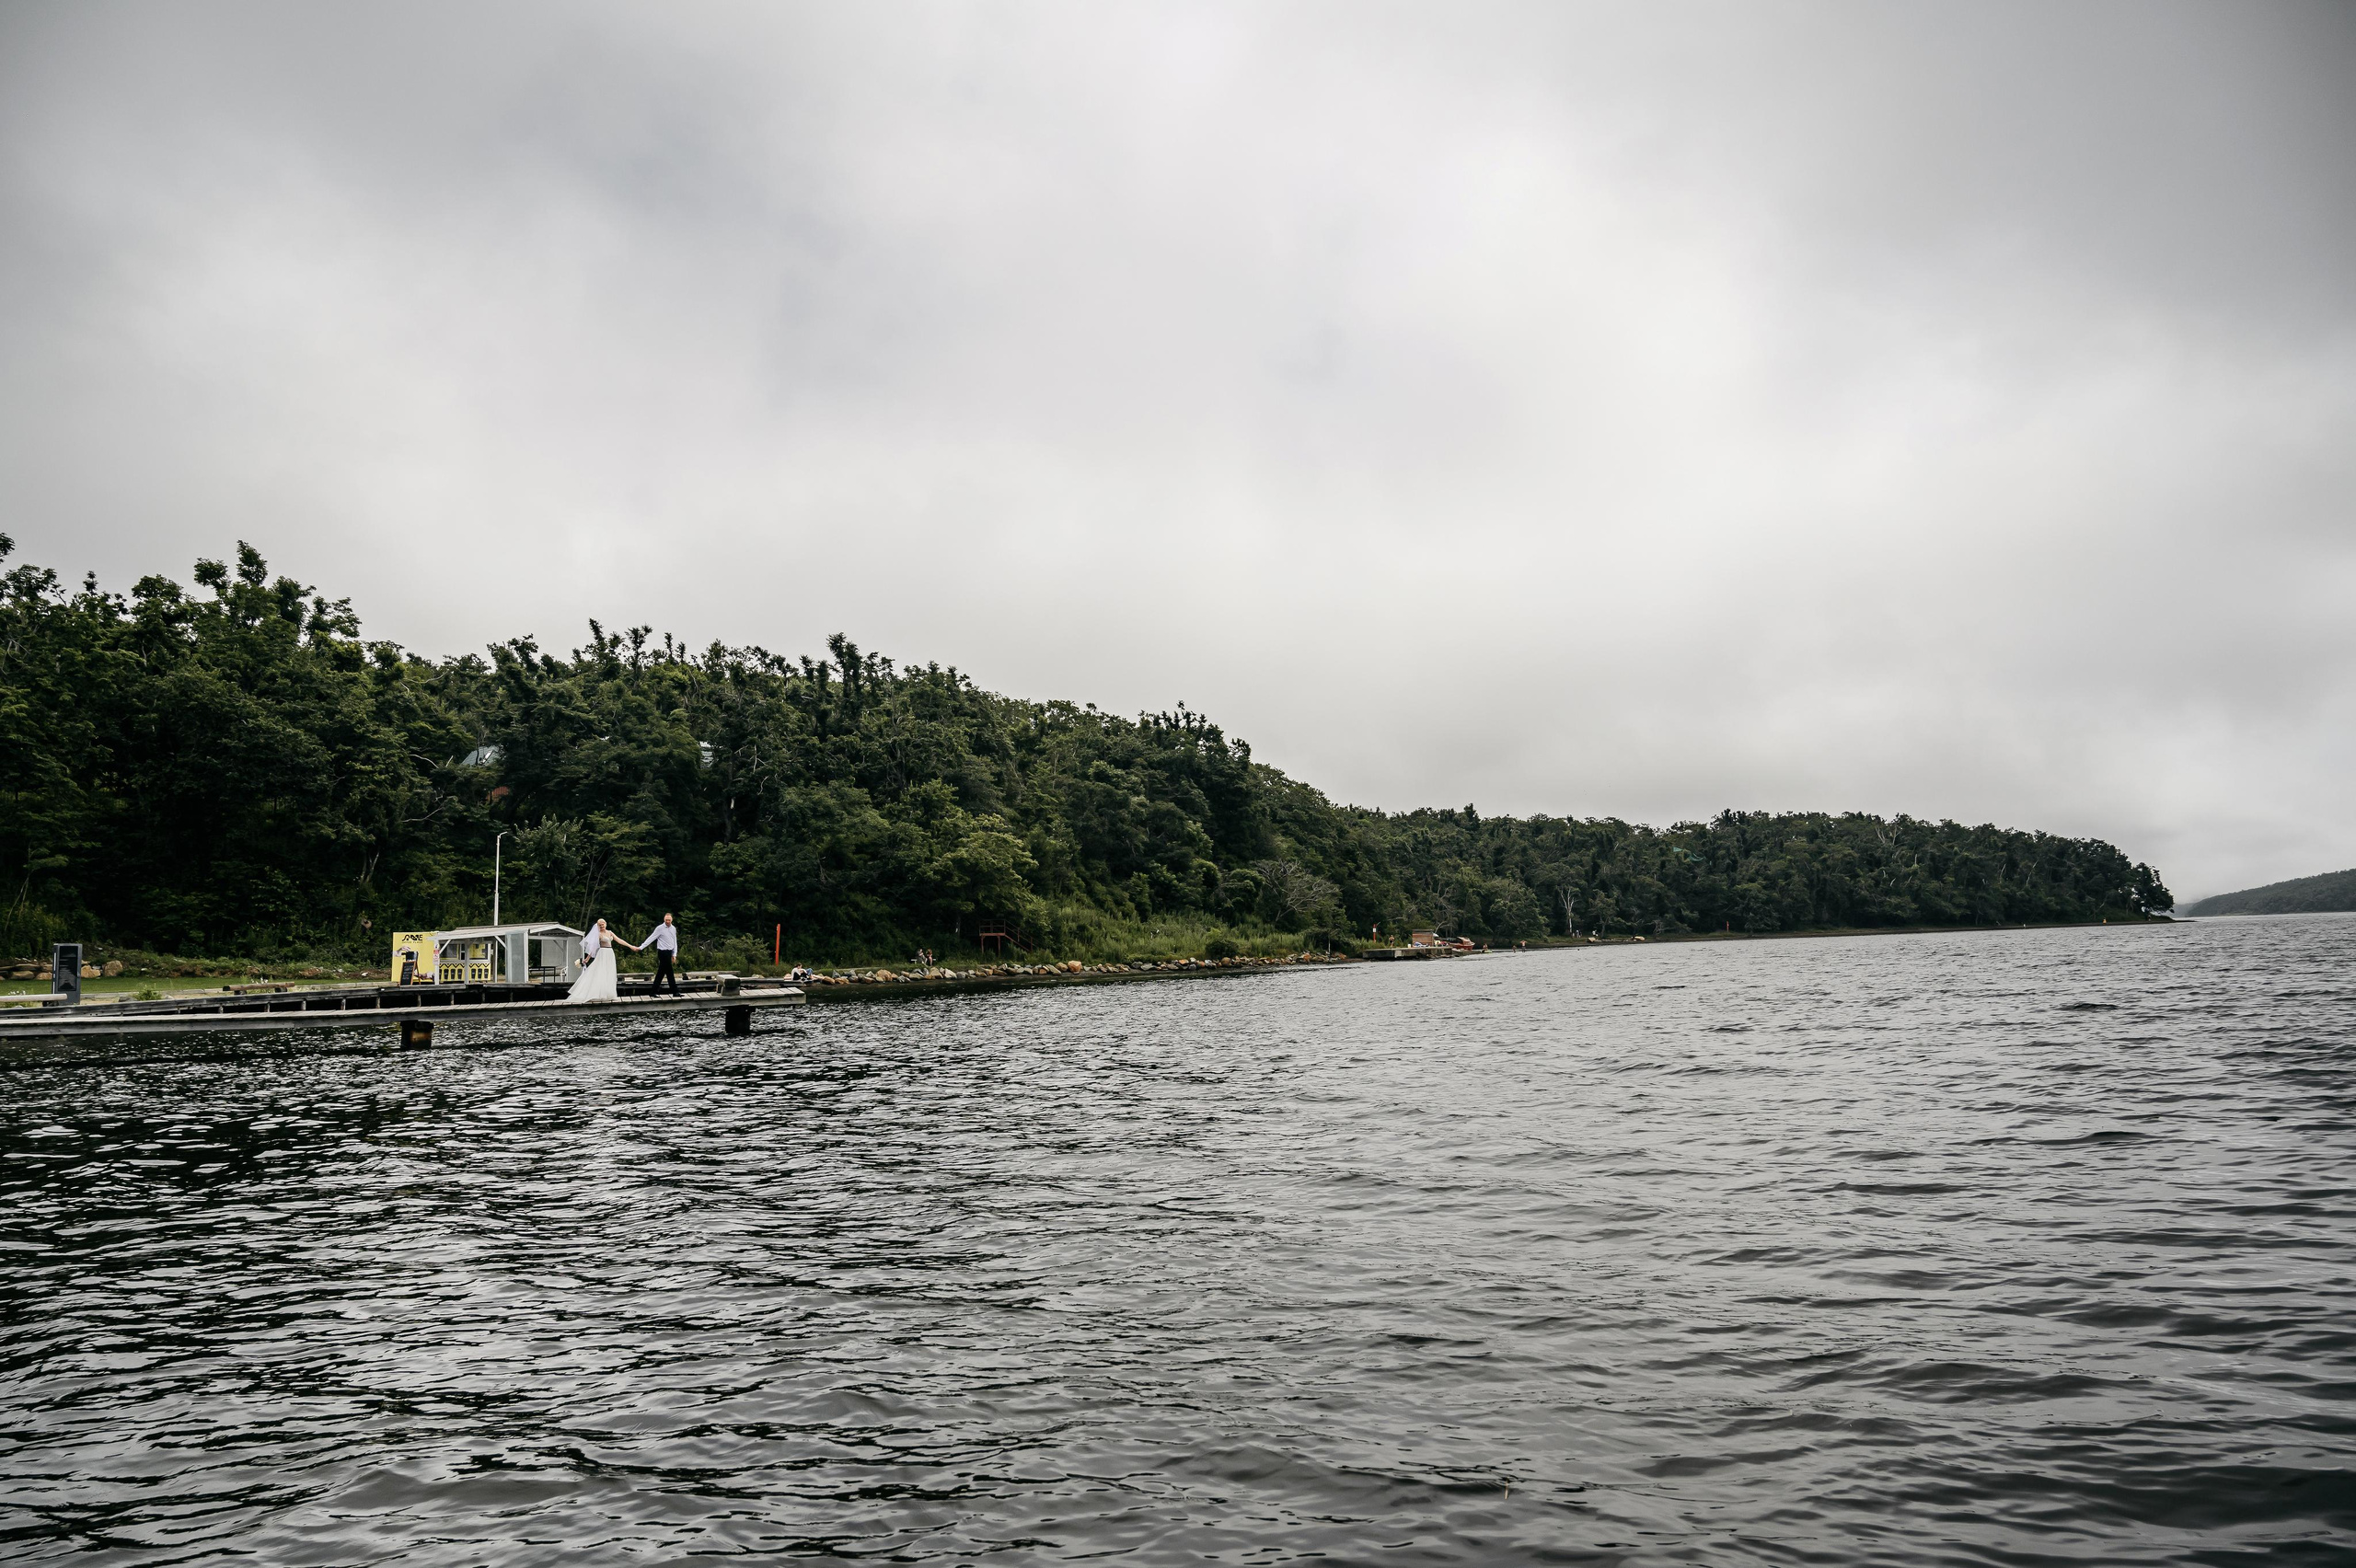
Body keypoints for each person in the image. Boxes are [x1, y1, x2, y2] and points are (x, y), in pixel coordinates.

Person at [566, 918, 637, 1003]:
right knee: (600, 972)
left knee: (609, 972)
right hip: (603, 953)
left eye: (603, 924)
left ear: (605, 924)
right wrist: (587, 959)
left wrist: (630, 946)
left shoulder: (610, 932)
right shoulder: (598, 934)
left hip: (610, 953)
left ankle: (609, 994)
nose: (602, 926)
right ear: (598, 926)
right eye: (600, 925)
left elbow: (619, 940)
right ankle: (597, 993)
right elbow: (593, 947)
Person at [637, 913, 683, 997]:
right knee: (669, 972)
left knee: (661, 973)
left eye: (669, 920)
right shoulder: (660, 928)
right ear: (664, 920)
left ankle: (653, 992)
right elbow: (651, 938)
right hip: (662, 952)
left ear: (672, 920)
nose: (668, 921)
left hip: (669, 952)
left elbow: (674, 942)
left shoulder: (673, 929)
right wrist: (641, 947)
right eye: (666, 920)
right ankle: (675, 991)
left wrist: (674, 954)